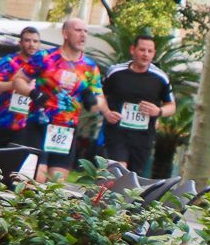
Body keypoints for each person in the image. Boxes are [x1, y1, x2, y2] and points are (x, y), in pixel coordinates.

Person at [17, 17, 103, 177]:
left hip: (66, 130)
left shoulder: (90, 66)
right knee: (36, 178)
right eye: (78, 30)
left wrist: (91, 99)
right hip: (40, 124)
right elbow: (19, 80)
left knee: (57, 184)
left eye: (86, 31)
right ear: (65, 33)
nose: (83, 35)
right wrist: (32, 93)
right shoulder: (45, 57)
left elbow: (99, 101)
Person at [98, 33, 176, 178]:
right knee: (117, 172)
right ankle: (104, 199)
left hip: (143, 137)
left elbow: (171, 106)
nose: (145, 54)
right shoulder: (116, 72)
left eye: (150, 51)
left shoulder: (160, 78)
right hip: (117, 133)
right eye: (142, 50)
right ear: (133, 50)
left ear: (154, 54)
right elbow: (100, 95)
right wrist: (107, 112)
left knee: (132, 179)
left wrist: (158, 111)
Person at [0, 26, 42, 148]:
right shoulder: (10, 61)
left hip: (27, 125)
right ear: (20, 43)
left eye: (35, 41)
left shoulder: (43, 65)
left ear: (39, 44)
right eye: (27, 40)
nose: (31, 44)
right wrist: (17, 84)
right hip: (3, 121)